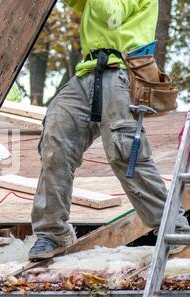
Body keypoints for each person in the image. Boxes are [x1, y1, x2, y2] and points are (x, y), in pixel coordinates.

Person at [29, 0, 190, 261]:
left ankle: (175, 231)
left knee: (124, 151)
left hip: (123, 70)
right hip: (87, 72)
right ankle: (53, 233)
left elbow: (111, 13)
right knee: (55, 141)